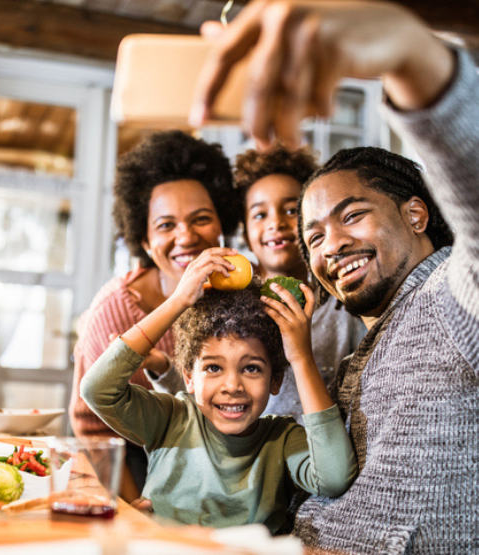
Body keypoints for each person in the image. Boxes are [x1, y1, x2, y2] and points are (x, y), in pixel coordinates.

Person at [191, 0, 479, 552]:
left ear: (415, 214)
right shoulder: (370, 347)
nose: (332, 245)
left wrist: (413, 56)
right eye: (315, 236)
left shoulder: (452, 301)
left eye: (352, 215)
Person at [81, 246, 357, 534]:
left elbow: (335, 477)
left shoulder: (283, 439)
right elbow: (97, 389)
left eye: (251, 368)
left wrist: (301, 358)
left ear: (275, 380)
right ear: (188, 377)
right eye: (213, 368)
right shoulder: (170, 419)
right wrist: (178, 301)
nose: (232, 386)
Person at [69, 130, 241, 498]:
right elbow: (92, 426)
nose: (186, 237)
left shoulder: (238, 293)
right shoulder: (116, 310)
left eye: (201, 219)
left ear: (222, 226)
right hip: (137, 458)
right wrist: (132, 507)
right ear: (145, 241)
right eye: (166, 225)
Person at [234, 145, 366, 419]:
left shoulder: (344, 306)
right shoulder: (233, 310)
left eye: (291, 210)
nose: (276, 223)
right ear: (245, 233)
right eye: (260, 214)